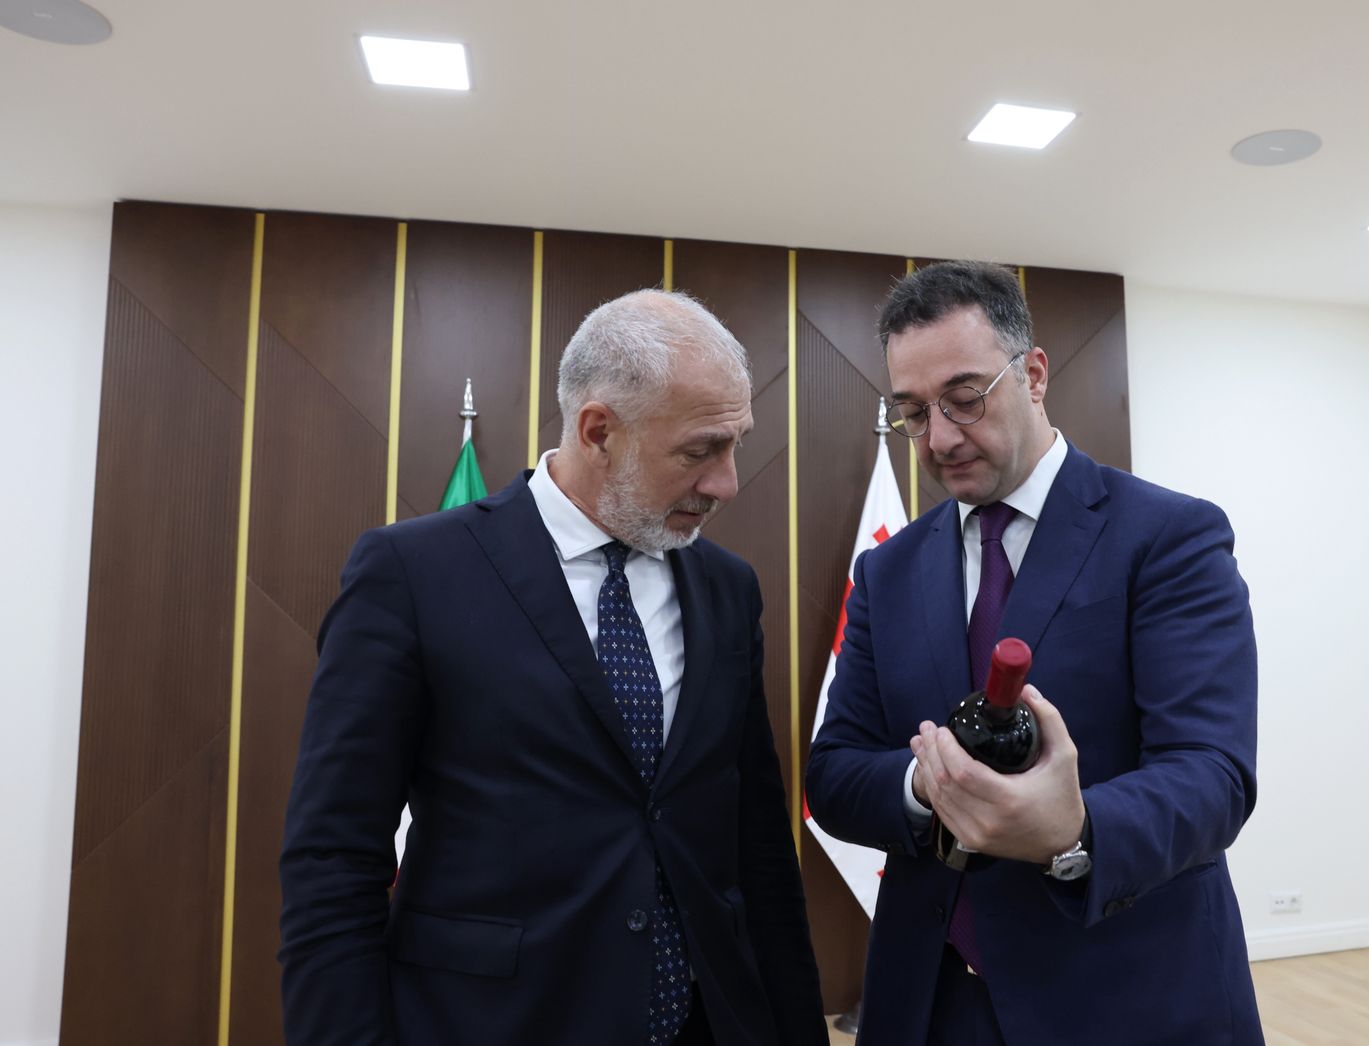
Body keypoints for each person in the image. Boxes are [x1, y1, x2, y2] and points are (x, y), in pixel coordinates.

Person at [279, 290, 828, 1046]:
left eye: (736, 445)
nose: (726, 483)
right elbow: (334, 855)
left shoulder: (727, 589)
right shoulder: (414, 573)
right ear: (598, 431)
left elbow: (757, 843)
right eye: (700, 450)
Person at [806, 261, 1263, 1045]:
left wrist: (1072, 831)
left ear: (1035, 374)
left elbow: (1212, 774)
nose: (940, 439)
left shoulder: (1169, 537)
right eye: (913, 412)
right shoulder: (887, 571)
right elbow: (835, 771)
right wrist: (926, 783)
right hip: (929, 1003)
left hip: (1126, 997)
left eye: (965, 398)